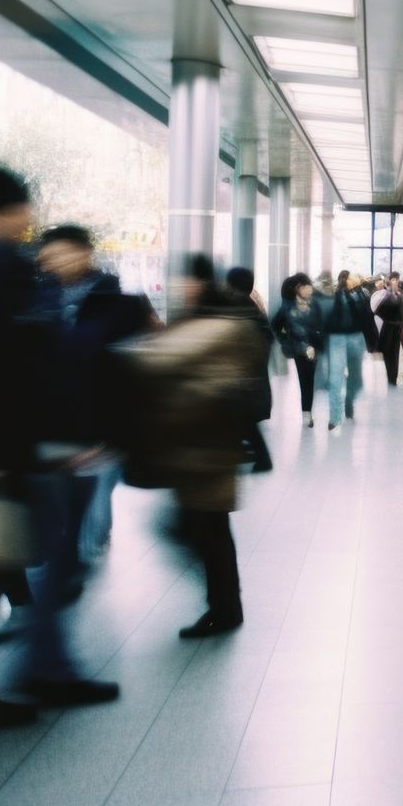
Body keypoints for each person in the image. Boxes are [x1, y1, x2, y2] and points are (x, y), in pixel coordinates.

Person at [0, 167, 119, 728]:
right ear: (13, 211)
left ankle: (42, 666)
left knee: (41, 561)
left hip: (16, 451)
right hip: (1, 455)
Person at [127, 257, 266, 638]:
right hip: (198, 447)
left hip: (208, 447)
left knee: (206, 530)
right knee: (207, 529)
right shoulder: (206, 317)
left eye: (185, 279)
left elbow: (167, 363)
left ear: (201, 281)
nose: (179, 287)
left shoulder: (219, 322)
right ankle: (224, 606)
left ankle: (224, 608)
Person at [33, 225, 154, 573]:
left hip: (102, 431)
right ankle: (60, 579)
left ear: (84, 253)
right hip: (53, 430)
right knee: (59, 529)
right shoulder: (41, 303)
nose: (53, 262)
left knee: (91, 525)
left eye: (62, 252)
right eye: (48, 256)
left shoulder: (118, 305)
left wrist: (120, 434)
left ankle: (68, 573)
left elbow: (133, 373)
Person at [224, 267, 273, 471]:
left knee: (243, 419)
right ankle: (254, 457)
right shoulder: (253, 307)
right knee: (244, 420)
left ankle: (261, 459)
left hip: (242, 377)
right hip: (253, 377)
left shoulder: (236, 307)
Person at [271, 273, 323, 428]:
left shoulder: (315, 304)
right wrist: (286, 341)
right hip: (299, 349)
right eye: (306, 286)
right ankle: (306, 414)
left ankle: (307, 412)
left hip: (314, 348)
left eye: (310, 286)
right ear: (298, 288)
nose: (310, 289)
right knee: (305, 380)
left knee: (310, 381)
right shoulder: (287, 307)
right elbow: (275, 326)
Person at [323, 269, 373, 427]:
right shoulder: (333, 296)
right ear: (345, 280)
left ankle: (349, 401)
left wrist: (373, 343)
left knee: (356, 379)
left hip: (356, 338)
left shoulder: (361, 295)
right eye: (352, 277)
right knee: (336, 378)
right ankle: (335, 417)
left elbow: (367, 319)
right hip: (337, 338)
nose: (356, 278)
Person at [373, 272, 403, 387]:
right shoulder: (386, 295)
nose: (398, 282)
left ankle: (392, 380)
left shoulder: (398, 295)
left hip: (394, 328)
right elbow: (378, 310)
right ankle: (389, 380)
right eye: (397, 280)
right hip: (389, 328)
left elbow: (401, 309)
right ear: (393, 280)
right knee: (389, 355)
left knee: (393, 356)